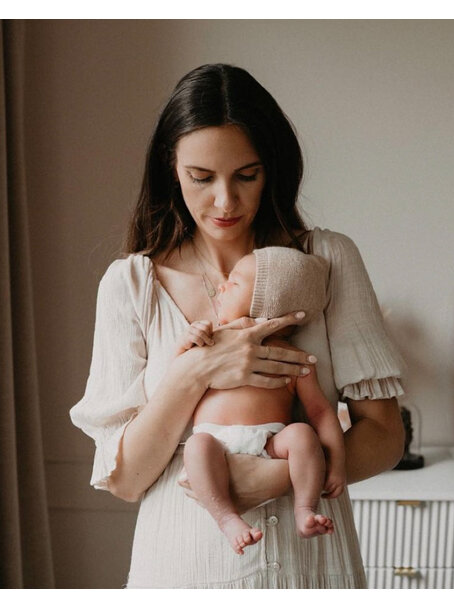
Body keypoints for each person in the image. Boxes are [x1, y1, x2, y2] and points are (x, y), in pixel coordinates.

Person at [69, 63, 406, 589]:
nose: (225, 202)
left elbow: (386, 435)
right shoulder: (130, 284)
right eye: (201, 178)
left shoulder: (326, 262)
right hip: (182, 569)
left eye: (246, 175)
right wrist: (198, 371)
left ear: (272, 168)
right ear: (171, 168)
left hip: (310, 570)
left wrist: (271, 479)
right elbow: (128, 479)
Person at [177, 246, 345, 555]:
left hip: (269, 443)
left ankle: (305, 508)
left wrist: (336, 464)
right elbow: (180, 377)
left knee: (302, 434)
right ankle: (227, 518)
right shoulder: (212, 342)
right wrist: (191, 339)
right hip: (215, 441)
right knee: (197, 447)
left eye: (236, 283)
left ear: (267, 308)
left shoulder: (295, 359)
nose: (223, 286)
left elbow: (320, 412)